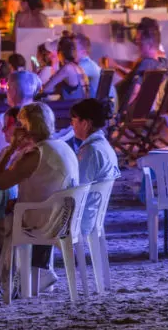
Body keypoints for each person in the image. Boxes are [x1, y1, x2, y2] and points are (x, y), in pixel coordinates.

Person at [0, 102, 79, 292]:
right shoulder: (62, 146)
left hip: (45, 220)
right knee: (11, 210)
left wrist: (11, 148)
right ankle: (35, 272)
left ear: (27, 126)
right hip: (65, 216)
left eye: (20, 124)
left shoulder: (36, 154)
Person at [70, 98, 119, 234]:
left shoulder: (90, 150)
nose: (71, 124)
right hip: (93, 214)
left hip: (81, 218)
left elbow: (77, 187)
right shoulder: (103, 145)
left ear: (85, 123)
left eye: (74, 120)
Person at [0, 71, 38, 157]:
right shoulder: (39, 118)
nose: (6, 92)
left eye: (8, 88)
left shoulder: (2, 119)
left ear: (13, 91)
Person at [43, 35, 89, 100]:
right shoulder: (78, 67)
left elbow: (46, 89)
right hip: (81, 107)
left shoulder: (67, 68)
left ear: (60, 54)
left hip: (73, 108)